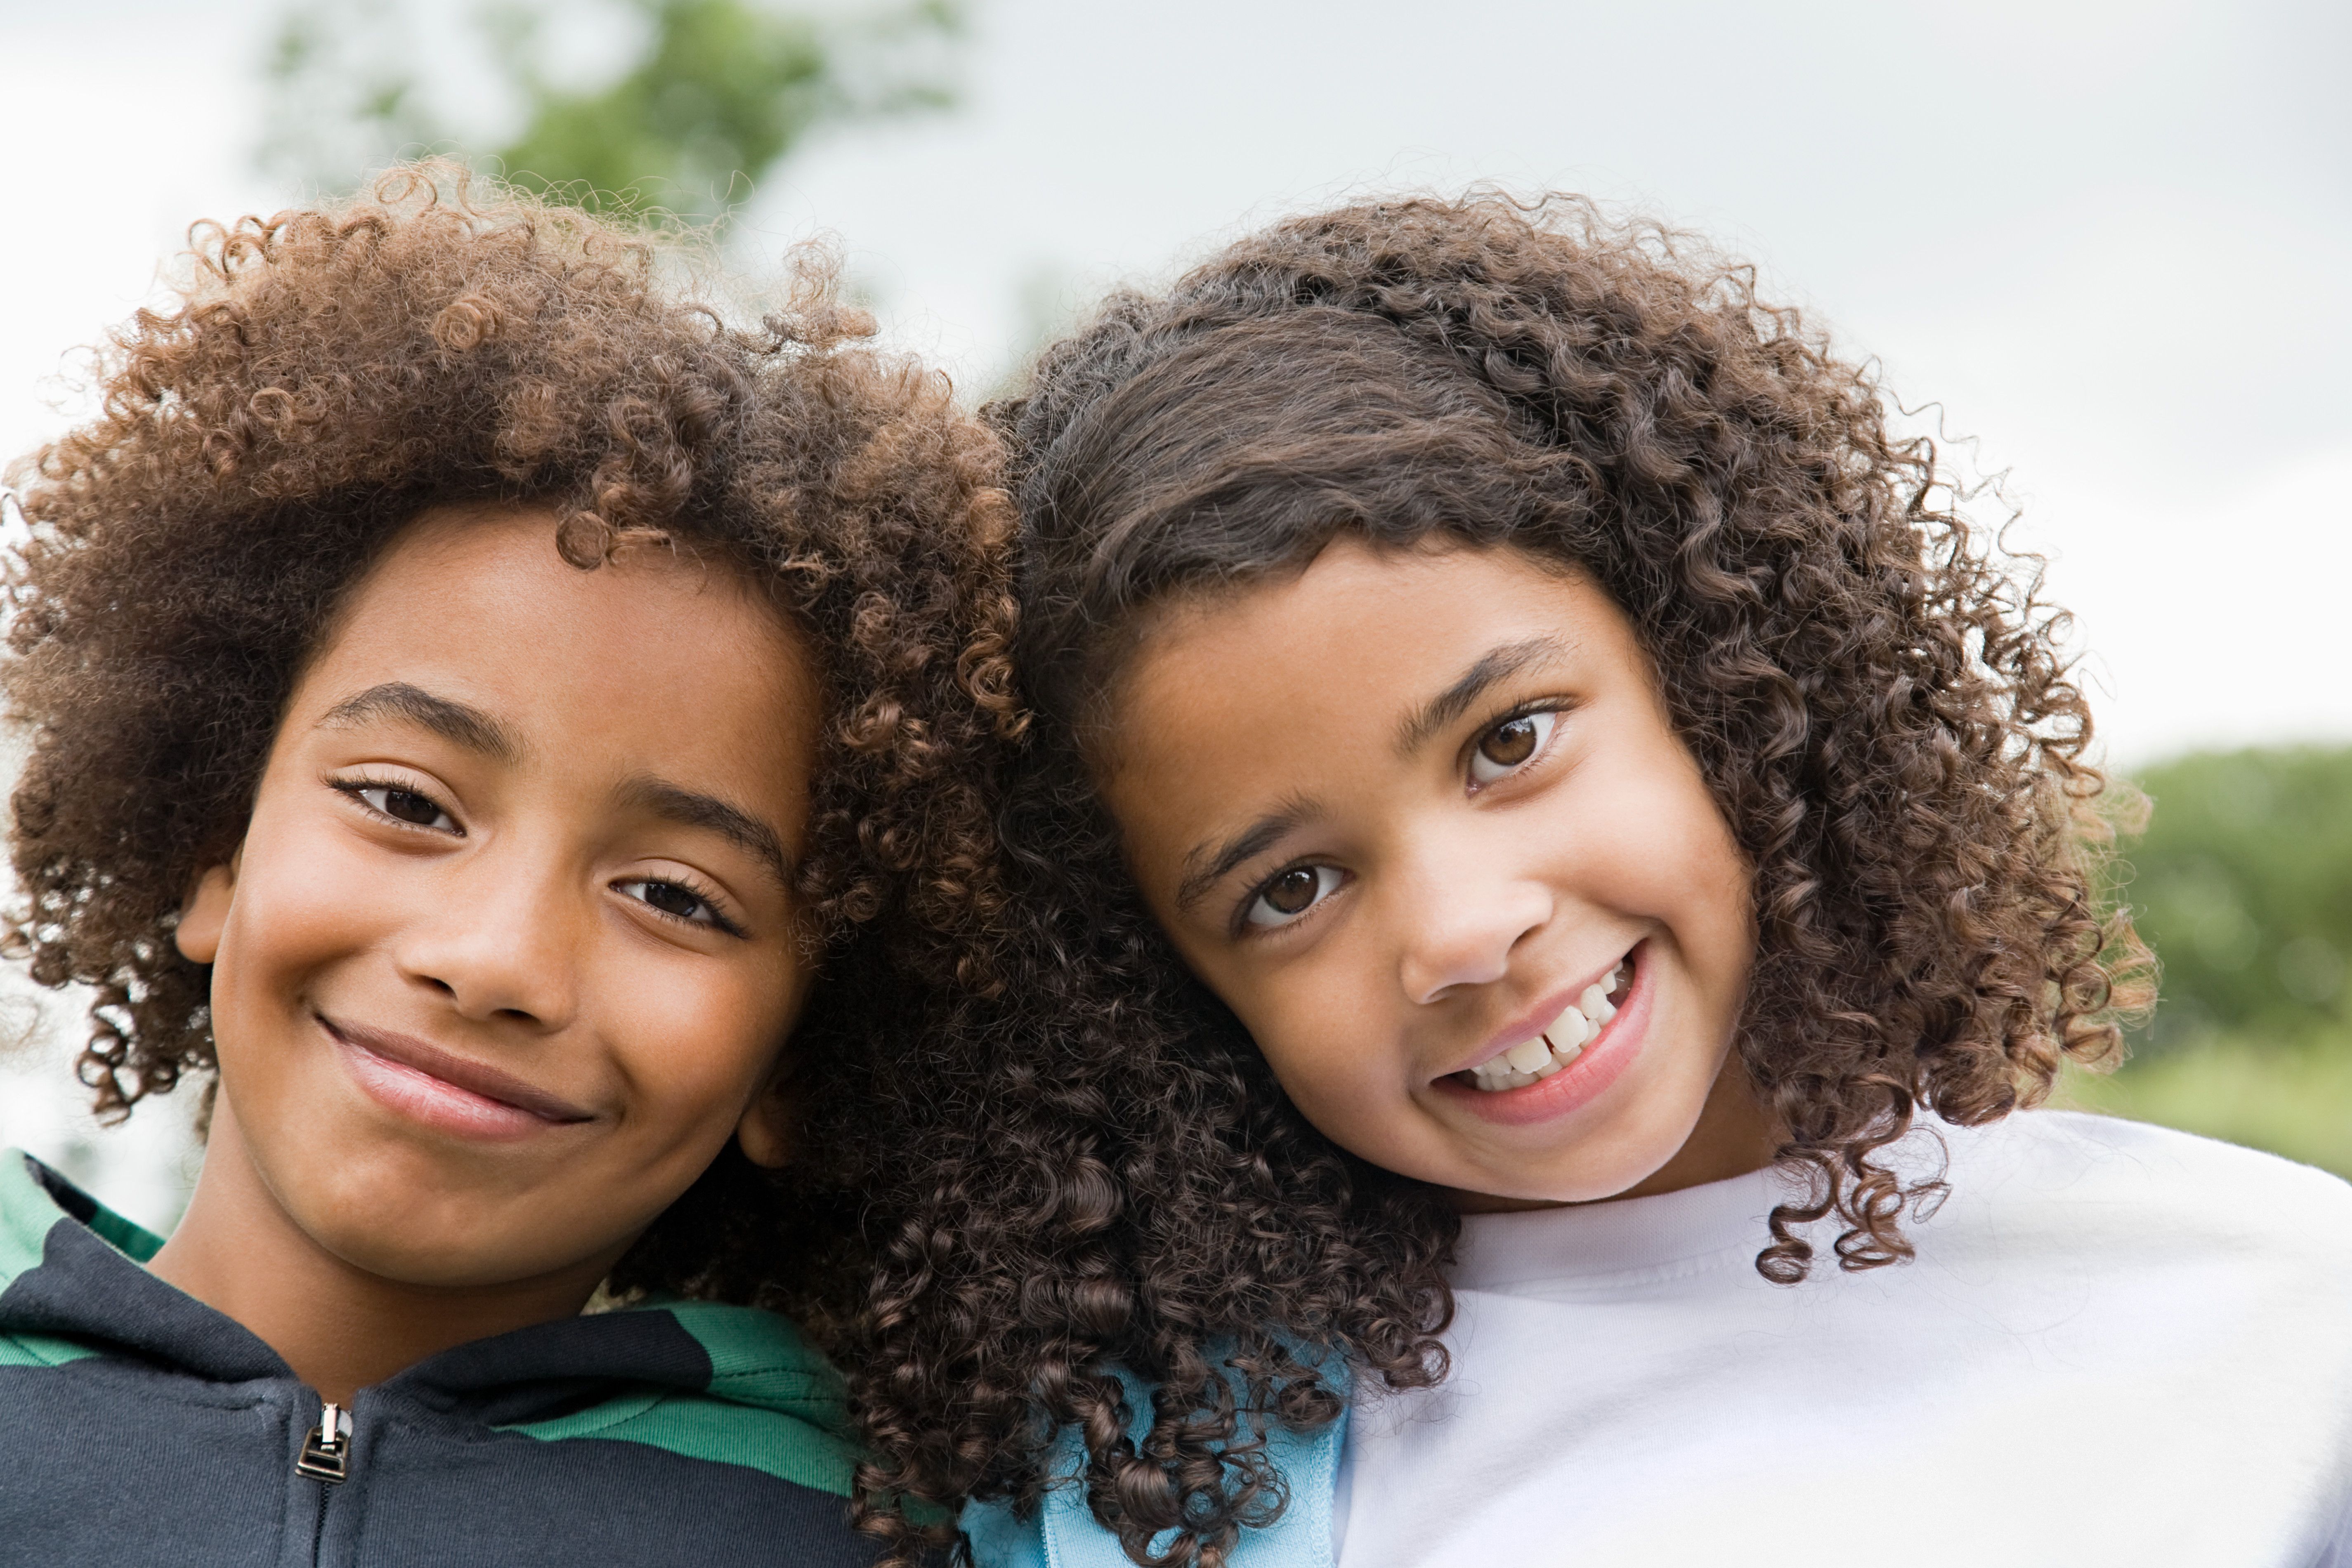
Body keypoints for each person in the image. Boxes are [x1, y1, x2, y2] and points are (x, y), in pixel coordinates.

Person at [843, 195, 2352, 1566]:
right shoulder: (1144, 1496)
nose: (1462, 930)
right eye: (1291, 889)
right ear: (1166, 995)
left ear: (1724, 688)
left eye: (1510, 739)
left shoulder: (2282, 1334)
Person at [0, 168, 1011, 1566]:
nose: (494, 961)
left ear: (808, 1060)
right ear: (212, 847)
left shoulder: (892, 1535)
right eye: (407, 803)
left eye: (674, 896)